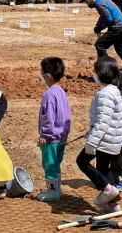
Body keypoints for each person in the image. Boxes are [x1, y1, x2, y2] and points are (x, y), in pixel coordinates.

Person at [76, 56, 122, 214]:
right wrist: (91, 132)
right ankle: (114, 204)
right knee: (103, 169)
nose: (93, 74)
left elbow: (103, 122)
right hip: (110, 139)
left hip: (104, 140)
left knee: (82, 161)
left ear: (102, 73)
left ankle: (108, 190)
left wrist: (92, 142)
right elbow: (104, 119)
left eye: (95, 71)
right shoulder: (113, 91)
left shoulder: (105, 94)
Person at [36, 57, 71, 202]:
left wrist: (45, 133)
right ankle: (57, 189)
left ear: (47, 76)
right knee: (56, 163)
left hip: (50, 138)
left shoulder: (49, 94)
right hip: (61, 136)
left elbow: (48, 116)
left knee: (49, 164)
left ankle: (52, 192)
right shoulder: (61, 92)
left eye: (41, 72)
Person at [81, 0, 122, 78]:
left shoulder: (99, 4)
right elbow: (103, 15)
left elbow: (108, 19)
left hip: (117, 28)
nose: (87, 4)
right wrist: (98, 25)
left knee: (100, 45)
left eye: (86, 2)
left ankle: (109, 70)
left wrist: (100, 27)